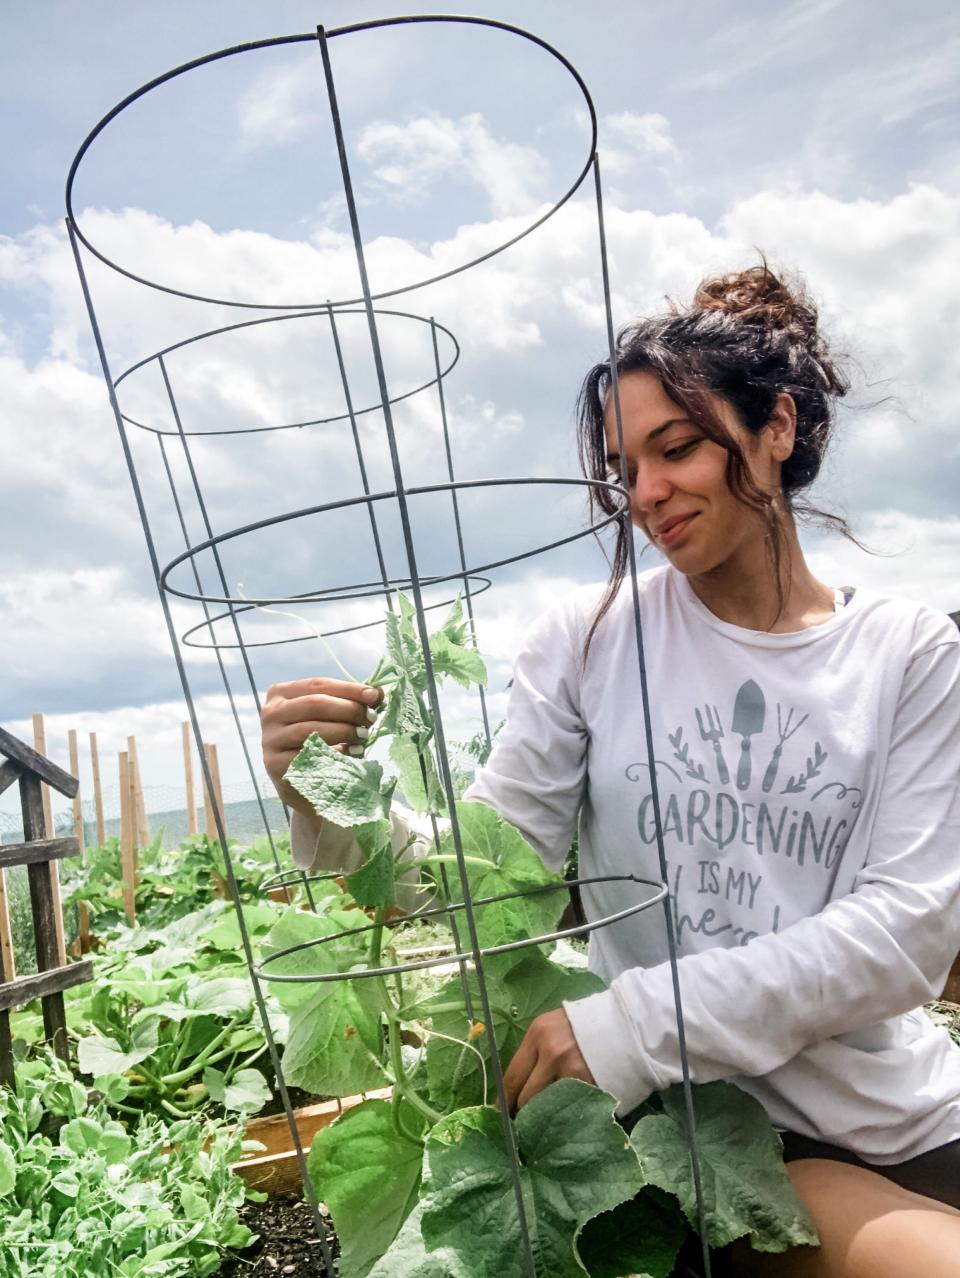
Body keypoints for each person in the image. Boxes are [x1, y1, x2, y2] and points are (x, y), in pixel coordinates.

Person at [261, 264, 960, 1276]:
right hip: (725, 1136)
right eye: (624, 467)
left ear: (779, 427)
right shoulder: (592, 641)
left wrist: (638, 1019)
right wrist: (322, 802)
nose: (645, 495)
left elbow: (910, 933)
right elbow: (489, 881)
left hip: (907, 1109)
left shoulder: (907, 650)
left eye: (675, 450)